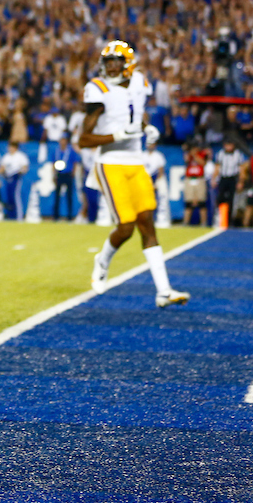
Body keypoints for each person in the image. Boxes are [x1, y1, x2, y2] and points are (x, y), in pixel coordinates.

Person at [80, 40, 188, 307]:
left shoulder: (140, 82)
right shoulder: (99, 89)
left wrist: (145, 127)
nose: (111, 67)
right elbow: (84, 139)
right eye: (108, 62)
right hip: (110, 162)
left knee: (147, 223)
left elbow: (135, 114)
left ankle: (164, 291)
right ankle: (102, 261)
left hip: (136, 162)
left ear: (128, 64)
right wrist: (118, 135)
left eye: (116, 62)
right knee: (126, 227)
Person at [50, 135, 81, 221]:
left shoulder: (70, 151)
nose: (62, 142)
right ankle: (55, 216)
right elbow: (53, 163)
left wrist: (73, 173)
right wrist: (54, 174)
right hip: (59, 174)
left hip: (68, 174)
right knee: (57, 196)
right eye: (61, 140)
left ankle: (70, 216)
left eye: (64, 140)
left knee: (69, 196)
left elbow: (75, 162)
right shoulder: (56, 151)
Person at [0, 140, 29, 220]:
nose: (10, 149)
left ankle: (19, 216)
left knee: (16, 196)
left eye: (11, 147)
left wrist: (19, 171)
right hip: (8, 177)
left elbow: (25, 167)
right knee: (9, 197)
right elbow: (2, 168)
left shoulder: (20, 156)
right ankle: (10, 216)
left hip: (16, 178)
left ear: (15, 148)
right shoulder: (6, 156)